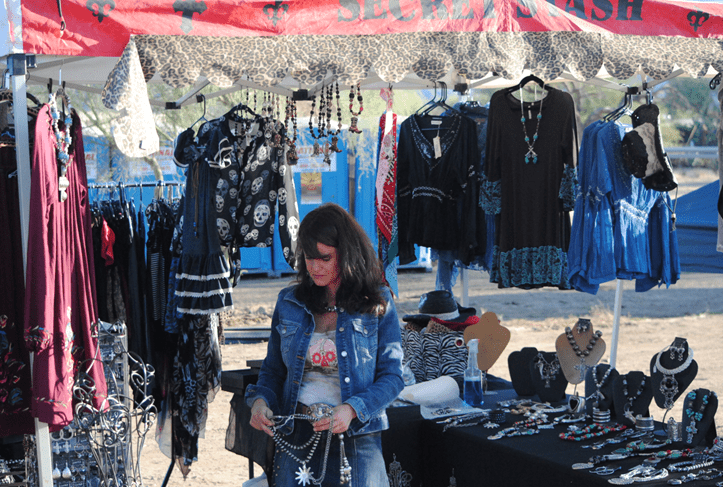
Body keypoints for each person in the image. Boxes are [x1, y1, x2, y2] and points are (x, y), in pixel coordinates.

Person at [245, 202, 405, 487]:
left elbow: (393, 377)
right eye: (308, 257)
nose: (314, 267)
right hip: (297, 433)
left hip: (357, 436)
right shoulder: (289, 302)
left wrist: (352, 409)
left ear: (346, 255)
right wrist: (260, 403)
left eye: (325, 258)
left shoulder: (377, 303)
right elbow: (272, 371)